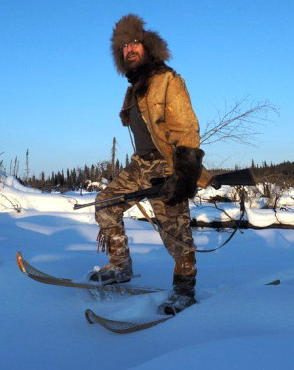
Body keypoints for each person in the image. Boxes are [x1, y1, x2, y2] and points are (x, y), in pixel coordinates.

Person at [89, 14, 212, 315]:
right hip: (140, 165)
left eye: (134, 43)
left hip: (166, 166)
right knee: (106, 203)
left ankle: (184, 291)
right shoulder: (134, 87)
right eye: (123, 47)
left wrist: (182, 178)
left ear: (147, 45)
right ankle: (120, 265)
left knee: (175, 233)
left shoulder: (168, 81)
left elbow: (187, 129)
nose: (129, 50)